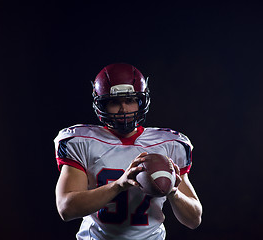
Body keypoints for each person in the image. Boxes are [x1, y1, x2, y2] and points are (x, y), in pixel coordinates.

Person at [54, 63, 202, 240]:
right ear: (101, 104)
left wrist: (173, 192)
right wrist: (120, 184)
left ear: (141, 101)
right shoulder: (81, 141)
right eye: (114, 102)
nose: (124, 109)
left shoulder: (171, 144)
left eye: (130, 100)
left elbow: (194, 219)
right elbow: (66, 209)